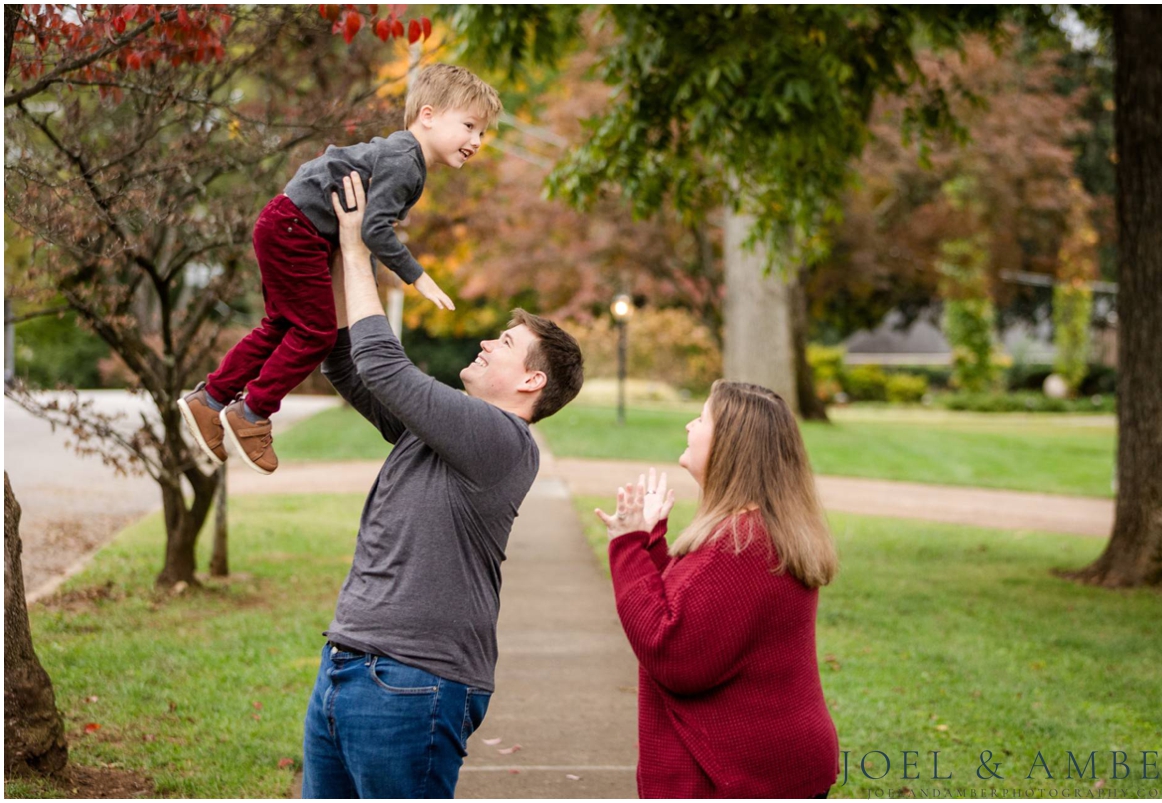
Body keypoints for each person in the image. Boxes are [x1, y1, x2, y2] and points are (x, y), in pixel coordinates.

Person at [300, 171, 583, 798]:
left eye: (505, 343)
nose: (486, 342)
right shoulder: (439, 432)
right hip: (347, 663)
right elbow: (348, 363)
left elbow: (383, 363)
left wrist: (356, 245)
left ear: (532, 382)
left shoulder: (500, 440)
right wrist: (324, 253)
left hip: (412, 683)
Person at [178, 63, 500, 475]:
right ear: (429, 115)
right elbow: (373, 229)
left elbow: (360, 223)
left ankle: (210, 401)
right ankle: (253, 414)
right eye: (469, 125)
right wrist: (416, 276)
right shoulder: (406, 161)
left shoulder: (402, 156)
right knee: (316, 335)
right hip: (297, 230)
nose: (476, 140)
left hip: (286, 222)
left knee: (281, 326)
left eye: (482, 133)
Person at [595, 380, 840, 798]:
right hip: (765, 765)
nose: (690, 424)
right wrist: (651, 541)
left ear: (731, 444)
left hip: (740, 776)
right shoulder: (753, 531)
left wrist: (629, 547)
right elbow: (690, 615)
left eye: (703, 417)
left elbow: (673, 655)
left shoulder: (741, 545)